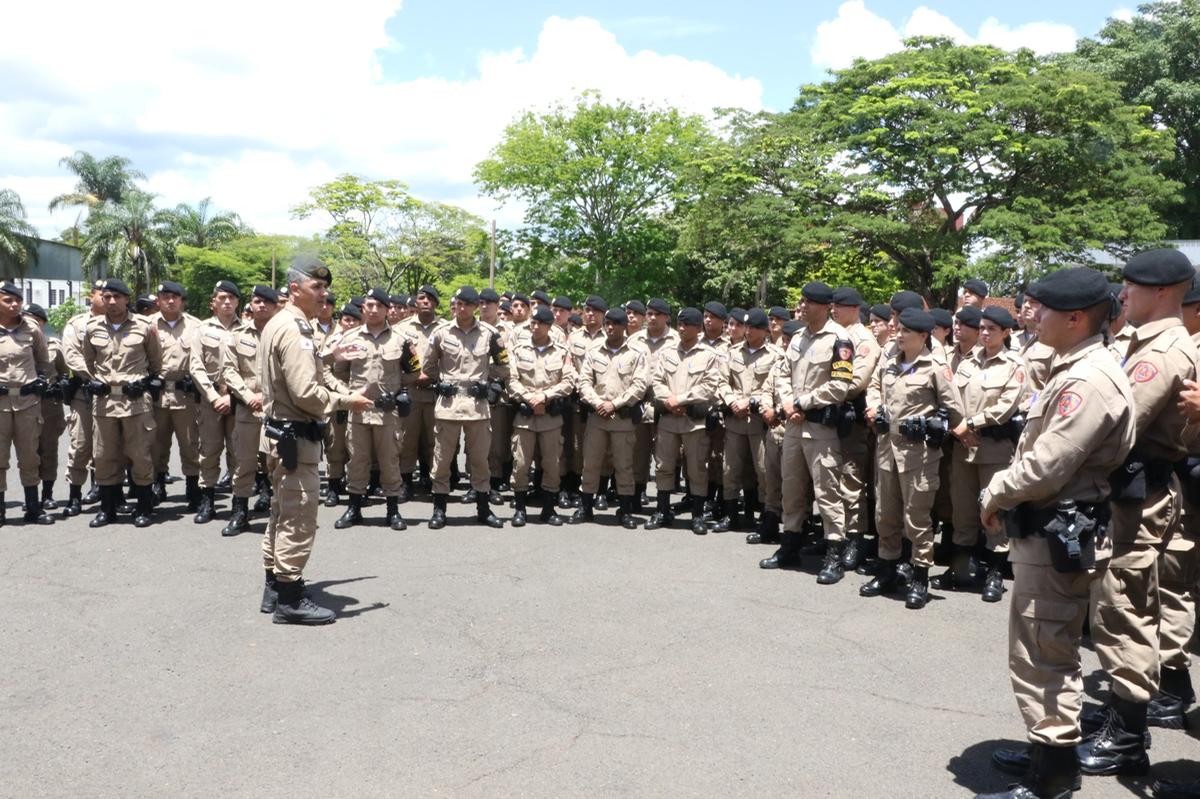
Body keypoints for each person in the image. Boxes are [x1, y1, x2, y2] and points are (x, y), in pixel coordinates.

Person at [975, 267, 1135, 799]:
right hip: (1050, 532)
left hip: (1057, 533)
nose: (1031, 315)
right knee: (1046, 648)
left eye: (1041, 308)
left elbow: (1047, 465)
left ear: (1074, 317)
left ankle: (1052, 779)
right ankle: (1048, 753)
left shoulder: (1087, 379)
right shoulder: (1076, 367)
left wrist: (994, 492)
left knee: (1043, 653)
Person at [1077, 249, 1199, 776]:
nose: (1123, 295)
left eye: (1132, 287)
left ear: (1164, 291)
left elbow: (1114, 427)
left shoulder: (1162, 352)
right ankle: (1123, 717)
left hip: (1138, 497)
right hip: (1133, 493)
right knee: (1122, 607)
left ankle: (1127, 735)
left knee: (1124, 610)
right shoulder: (1145, 342)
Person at [258, 255, 372, 625]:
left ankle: (273, 587)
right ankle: (289, 598)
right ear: (295, 289)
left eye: (325, 287)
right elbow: (306, 392)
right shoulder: (296, 330)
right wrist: (344, 400)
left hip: (278, 433)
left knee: (280, 512)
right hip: (296, 436)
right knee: (299, 517)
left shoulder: (282, 323)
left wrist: (327, 353)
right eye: (316, 286)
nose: (324, 293)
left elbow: (291, 367)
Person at [862, 307, 966, 608]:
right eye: (898, 329)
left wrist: (934, 424)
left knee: (917, 519)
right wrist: (874, 406)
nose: (898, 334)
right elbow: (874, 387)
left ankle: (920, 577)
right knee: (885, 515)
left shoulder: (935, 366)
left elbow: (954, 408)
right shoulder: (890, 361)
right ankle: (887, 571)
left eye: (905, 331)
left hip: (918, 453)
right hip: (886, 447)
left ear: (923, 336)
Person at [761, 282, 855, 583]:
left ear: (824, 306)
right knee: (791, 489)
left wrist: (803, 402)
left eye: (806, 302)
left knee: (827, 493)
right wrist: (788, 402)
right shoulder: (798, 337)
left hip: (820, 429)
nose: (801, 306)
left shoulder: (840, 339)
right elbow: (784, 373)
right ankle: (790, 544)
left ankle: (833, 555)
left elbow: (840, 386)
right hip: (793, 425)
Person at [941, 306, 1028, 600]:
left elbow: (1006, 406)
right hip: (962, 447)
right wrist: (959, 427)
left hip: (993, 448)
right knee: (963, 511)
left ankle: (994, 575)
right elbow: (951, 397)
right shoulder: (967, 362)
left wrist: (972, 424)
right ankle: (961, 571)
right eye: (982, 328)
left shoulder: (1014, 365)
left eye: (992, 329)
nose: (985, 333)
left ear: (1006, 333)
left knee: (993, 511)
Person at [329, 288, 416, 532]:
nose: (374, 309)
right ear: (363, 309)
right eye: (369, 305)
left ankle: (392, 510)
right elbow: (334, 373)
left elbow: (414, 371)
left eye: (379, 305)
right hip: (358, 411)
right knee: (357, 459)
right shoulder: (350, 338)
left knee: (390, 461)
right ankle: (354, 508)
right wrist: (346, 394)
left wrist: (398, 392)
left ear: (387, 309)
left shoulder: (401, 340)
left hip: (388, 412)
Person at [420, 286, 507, 529]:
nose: (461, 308)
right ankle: (439, 510)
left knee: (480, 460)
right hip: (448, 405)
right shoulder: (440, 333)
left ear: (475, 306)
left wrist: (488, 383)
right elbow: (428, 365)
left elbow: (503, 366)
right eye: (457, 303)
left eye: (466, 304)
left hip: (477, 406)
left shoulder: (490, 334)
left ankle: (483, 508)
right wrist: (442, 383)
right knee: (442, 459)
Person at [81, 278, 163, 528]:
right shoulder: (93, 327)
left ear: (127, 299)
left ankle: (144, 507)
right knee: (104, 455)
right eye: (107, 297)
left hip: (135, 401)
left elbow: (156, 362)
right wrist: (93, 381)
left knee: (140, 454)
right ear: (101, 299)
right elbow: (88, 361)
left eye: (117, 297)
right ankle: (108, 509)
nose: (112, 301)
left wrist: (145, 382)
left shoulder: (145, 326)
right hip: (104, 402)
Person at [646, 307, 723, 535]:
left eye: (687, 324)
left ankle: (698, 515)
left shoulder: (708, 355)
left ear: (698, 328)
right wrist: (668, 401)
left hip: (693, 421)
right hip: (668, 419)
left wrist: (680, 400)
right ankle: (662, 510)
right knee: (664, 465)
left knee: (697, 468)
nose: (681, 328)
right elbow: (656, 381)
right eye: (679, 324)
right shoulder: (668, 353)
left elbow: (709, 386)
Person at [570, 308, 647, 528]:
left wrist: (615, 404)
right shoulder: (594, 351)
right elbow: (583, 382)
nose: (610, 327)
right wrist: (597, 403)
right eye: (608, 324)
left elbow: (640, 385)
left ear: (624, 327)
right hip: (597, 417)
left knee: (624, 465)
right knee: (591, 463)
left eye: (615, 324)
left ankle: (624, 511)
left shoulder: (636, 352)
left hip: (622, 419)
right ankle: (586, 507)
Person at [714, 308, 782, 534]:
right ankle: (731, 516)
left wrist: (751, 401)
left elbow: (774, 388)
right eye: (746, 326)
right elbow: (722, 382)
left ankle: (765, 517)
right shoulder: (732, 353)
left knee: (764, 471)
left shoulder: (775, 355)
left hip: (759, 422)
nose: (748, 331)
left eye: (753, 327)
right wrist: (733, 401)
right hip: (735, 420)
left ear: (764, 330)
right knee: (730, 469)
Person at [220, 285, 280, 537]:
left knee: (277, 463)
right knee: (243, 462)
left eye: (267, 301)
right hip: (246, 410)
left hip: (276, 410)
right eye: (257, 301)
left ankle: (279, 513)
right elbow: (228, 371)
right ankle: (240, 512)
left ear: (276, 306)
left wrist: (265, 397)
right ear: (251, 305)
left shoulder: (283, 334)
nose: (262, 305)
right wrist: (247, 396)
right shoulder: (236, 335)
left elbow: (291, 373)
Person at [507, 305, 576, 526]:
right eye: (532, 324)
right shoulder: (518, 350)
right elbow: (510, 380)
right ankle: (520, 509)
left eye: (539, 324)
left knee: (552, 464)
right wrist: (529, 398)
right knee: (520, 464)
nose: (534, 327)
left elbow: (568, 382)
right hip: (525, 417)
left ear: (549, 326)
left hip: (550, 418)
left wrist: (544, 396)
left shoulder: (561, 352)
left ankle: (549, 508)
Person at [831, 288, 882, 569]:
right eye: (833, 305)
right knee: (832, 482)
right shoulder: (834, 335)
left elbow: (856, 382)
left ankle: (854, 539)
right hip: (831, 416)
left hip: (851, 418)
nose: (834, 310)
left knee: (851, 482)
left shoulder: (863, 339)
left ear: (854, 309)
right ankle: (835, 537)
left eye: (840, 306)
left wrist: (824, 393)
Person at [189, 280, 241, 524]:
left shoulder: (248, 330)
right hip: (210, 402)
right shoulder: (201, 330)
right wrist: (213, 396)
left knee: (238, 453)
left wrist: (231, 397)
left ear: (238, 302)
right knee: (208, 451)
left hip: (239, 401)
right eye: (222, 298)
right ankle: (207, 501)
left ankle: (238, 504)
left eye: (232, 297)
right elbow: (196, 366)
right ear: (213, 303)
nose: (227, 301)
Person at [0, 284, 52, 525]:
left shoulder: (31, 328)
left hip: (27, 402)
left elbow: (44, 361)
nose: (14, 305)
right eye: (8, 300)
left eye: (17, 300)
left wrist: (41, 381)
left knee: (30, 456)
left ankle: (33, 507)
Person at [149, 281, 202, 508]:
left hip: (185, 395)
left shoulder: (196, 326)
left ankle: (193, 486)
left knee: (190, 444)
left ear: (182, 300)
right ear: (158, 300)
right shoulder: (145, 324)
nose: (171, 300)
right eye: (166, 296)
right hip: (156, 395)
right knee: (156, 444)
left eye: (176, 296)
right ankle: (158, 484)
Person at [627, 298, 679, 509]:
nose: (651, 317)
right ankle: (636, 496)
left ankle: (662, 503)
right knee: (637, 453)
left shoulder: (676, 339)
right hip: (639, 403)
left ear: (666, 317)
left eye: (657, 314)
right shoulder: (634, 339)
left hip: (665, 405)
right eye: (649, 313)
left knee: (664, 456)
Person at [60, 281, 106, 515]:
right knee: (80, 445)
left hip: (113, 395)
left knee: (110, 447)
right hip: (85, 393)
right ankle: (75, 496)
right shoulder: (77, 324)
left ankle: (107, 494)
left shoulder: (122, 323)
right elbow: (71, 356)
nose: (107, 299)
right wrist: (95, 378)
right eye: (102, 294)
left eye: (112, 295)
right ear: (93, 296)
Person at [396, 285, 444, 499]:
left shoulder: (445, 328)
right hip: (412, 393)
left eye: (430, 298)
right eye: (421, 298)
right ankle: (405, 482)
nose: (425, 301)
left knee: (435, 440)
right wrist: (414, 377)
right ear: (416, 302)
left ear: (436, 304)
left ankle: (433, 479)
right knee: (407, 439)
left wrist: (433, 376)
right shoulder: (401, 328)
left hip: (436, 393)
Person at [24, 303, 67, 512]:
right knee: (28, 451)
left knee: (48, 449)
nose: (29, 321)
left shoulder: (54, 346)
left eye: (34, 318)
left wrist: (60, 385)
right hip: (24, 402)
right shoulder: (16, 343)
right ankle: (30, 494)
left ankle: (47, 494)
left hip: (49, 405)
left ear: (42, 323)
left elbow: (64, 372)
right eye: (25, 317)